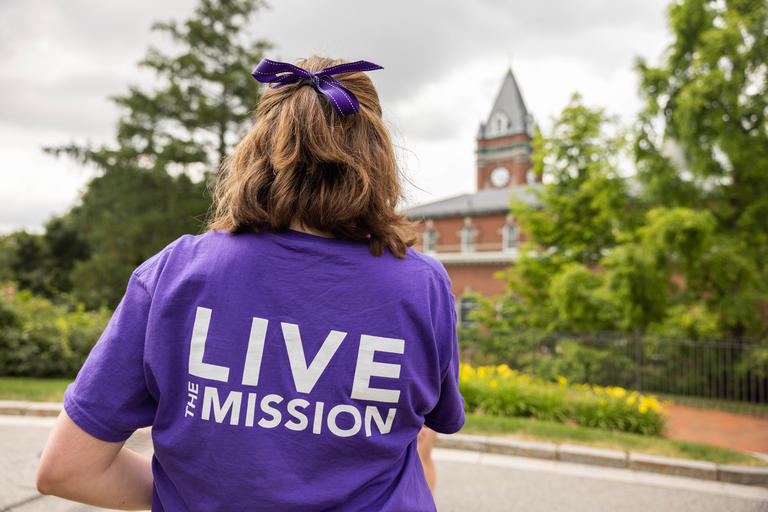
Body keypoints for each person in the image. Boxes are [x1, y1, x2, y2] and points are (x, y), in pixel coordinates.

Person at [36, 55, 464, 511]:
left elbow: (69, 468)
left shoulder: (176, 273)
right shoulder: (422, 286)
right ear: (376, 154)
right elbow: (422, 434)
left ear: (256, 148)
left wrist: (187, 494)